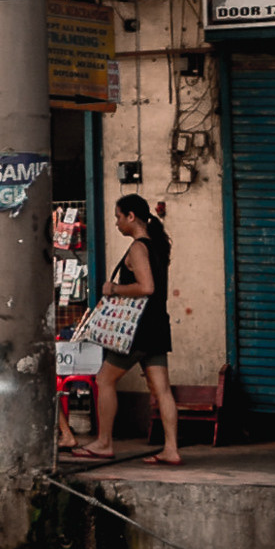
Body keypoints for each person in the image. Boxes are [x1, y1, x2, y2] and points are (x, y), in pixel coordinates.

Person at [70, 194, 182, 466]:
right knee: (162, 389)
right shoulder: (158, 245)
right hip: (157, 325)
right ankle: (171, 449)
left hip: (136, 330)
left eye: (119, 217)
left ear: (131, 216)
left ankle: (104, 442)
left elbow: (146, 287)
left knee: (104, 380)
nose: (117, 223)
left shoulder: (138, 248)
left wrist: (114, 289)